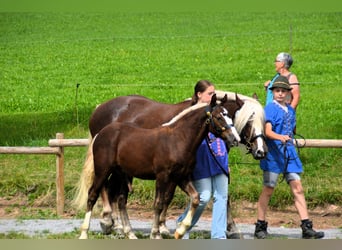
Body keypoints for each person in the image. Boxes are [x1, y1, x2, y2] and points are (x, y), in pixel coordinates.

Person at [254, 76, 324, 239]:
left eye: (282, 91)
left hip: (289, 154)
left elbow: (291, 129)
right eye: (277, 91)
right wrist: (280, 137)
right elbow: (268, 131)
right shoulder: (270, 109)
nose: (279, 94)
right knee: (268, 189)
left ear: (287, 93)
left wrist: (288, 138)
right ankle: (260, 225)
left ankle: (306, 226)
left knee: (297, 188)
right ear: (273, 93)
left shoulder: (291, 111)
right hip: (274, 154)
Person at [176, 80, 229, 239]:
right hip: (201, 159)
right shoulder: (189, 112)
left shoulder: (218, 110)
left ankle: (219, 237)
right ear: (199, 94)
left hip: (219, 156)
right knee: (204, 197)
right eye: (210, 93)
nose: (213, 96)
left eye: (214, 93)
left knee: (222, 197)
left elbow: (227, 131)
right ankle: (183, 226)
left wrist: (226, 158)